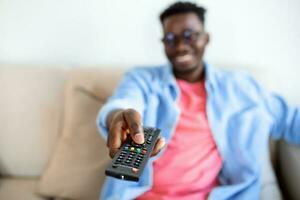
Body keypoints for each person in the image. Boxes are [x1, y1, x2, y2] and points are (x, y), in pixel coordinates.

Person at [97, 1, 300, 199]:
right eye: (170, 38)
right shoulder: (142, 79)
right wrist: (116, 116)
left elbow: (291, 121)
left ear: (206, 38)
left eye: (189, 35)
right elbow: (123, 102)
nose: (180, 47)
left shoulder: (240, 86)